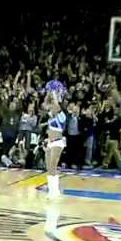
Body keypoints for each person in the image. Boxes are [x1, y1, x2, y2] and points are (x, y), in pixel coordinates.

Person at [44, 92, 66, 233]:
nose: (51, 108)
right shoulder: (51, 115)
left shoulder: (62, 116)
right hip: (50, 142)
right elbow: (47, 103)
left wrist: (54, 93)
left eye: (53, 106)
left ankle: (54, 192)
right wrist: (48, 95)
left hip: (58, 142)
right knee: (48, 168)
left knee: (53, 166)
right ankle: (53, 191)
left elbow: (56, 104)